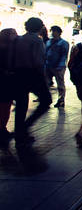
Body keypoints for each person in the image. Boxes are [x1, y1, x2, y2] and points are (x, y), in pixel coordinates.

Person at [12, 18, 53, 147]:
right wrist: (43, 77)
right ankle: (24, 127)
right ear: (40, 28)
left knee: (21, 104)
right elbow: (38, 61)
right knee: (46, 100)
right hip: (33, 74)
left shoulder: (18, 40)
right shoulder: (37, 41)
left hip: (18, 74)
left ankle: (19, 133)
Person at [0, 28, 17, 147]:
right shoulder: (6, 49)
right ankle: (1, 128)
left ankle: (2, 127)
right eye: (13, 33)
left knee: (6, 105)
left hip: (7, 81)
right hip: (5, 81)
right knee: (4, 105)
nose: (16, 35)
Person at [45, 26, 70, 108]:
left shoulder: (63, 43)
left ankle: (61, 100)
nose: (53, 33)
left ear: (59, 33)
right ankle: (46, 99)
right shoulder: (49, 42)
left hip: (59, 67)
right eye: (52, 31)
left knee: (60, 84)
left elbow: (64, 55)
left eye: (54, 31)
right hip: (48, 66)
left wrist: (61, 65)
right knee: (46, 83)